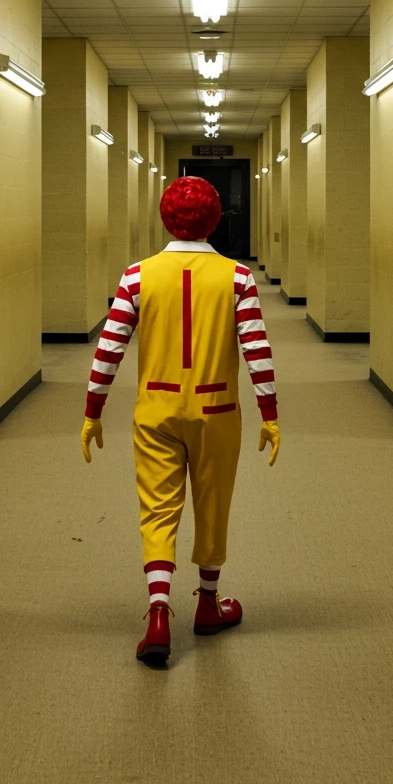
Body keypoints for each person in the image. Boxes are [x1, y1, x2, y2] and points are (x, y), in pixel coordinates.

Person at [80, 175, 280, 666]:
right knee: (213, 504)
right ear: (216, 219)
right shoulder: (237, 277)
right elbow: (257, 351)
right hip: (217, 412)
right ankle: (208, 603)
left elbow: (109, 350)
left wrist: (93, 411)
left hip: (156, 409)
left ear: (165, 218)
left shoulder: (137, 276)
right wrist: (270, 415)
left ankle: (158, 613)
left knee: (157, 508)